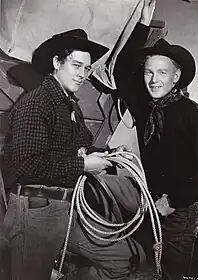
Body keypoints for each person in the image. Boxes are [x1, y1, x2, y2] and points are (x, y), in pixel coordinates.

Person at [1, 1, 156, 280]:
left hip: (67, 209)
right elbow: (26, 167)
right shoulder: (37, 104)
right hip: (35, 212)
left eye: (86, 68)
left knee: (126, 260)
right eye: (75, 65)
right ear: (56, 63)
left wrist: (110, 154)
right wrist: (84, 164)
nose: (82, 74)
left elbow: (80, 148)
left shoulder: (69, 105)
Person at [110, 36, 198, 279]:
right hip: (149, 202)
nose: (154, 80)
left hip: (179, 212)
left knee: (170, 273)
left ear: (176, 77)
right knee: (141, 266)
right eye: (149, 72)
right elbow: (121, 69)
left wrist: (173, 201)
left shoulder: (193, 115)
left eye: (162, 72)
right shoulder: (145, 106)